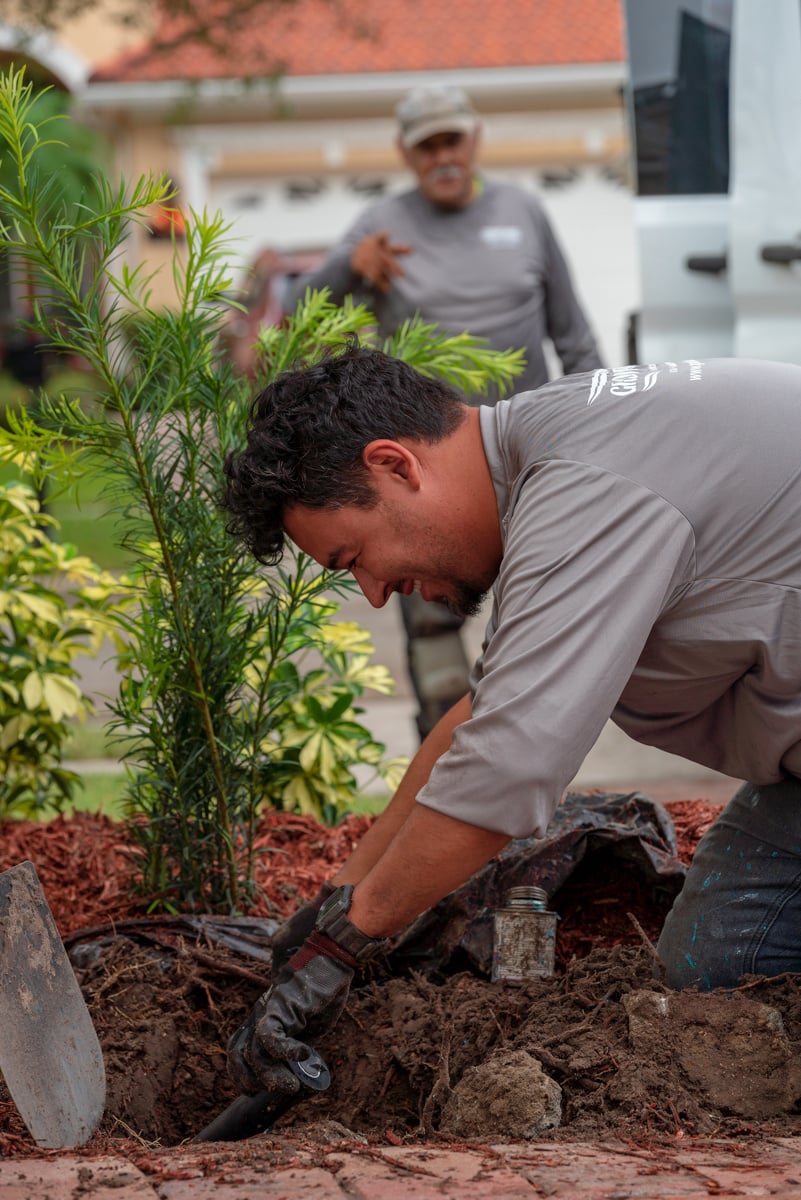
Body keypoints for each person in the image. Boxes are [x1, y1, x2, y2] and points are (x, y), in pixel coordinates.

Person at [222, 343, 801, 1096]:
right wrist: (339, 896)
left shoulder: (584, 489)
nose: (372, 592)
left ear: (395, 465)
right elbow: (484, 714)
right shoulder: (550, 450)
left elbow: (508, 767)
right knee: (715, 981)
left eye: (353, 556)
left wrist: (341, 948)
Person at [286, 84, 603, 741]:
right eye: (427, 145)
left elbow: (571, 333)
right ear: (406, 152)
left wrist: (599, 423)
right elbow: (295, 306)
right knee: (430, 620)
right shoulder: (382, 224)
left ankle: (532, 750)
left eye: (451, 140)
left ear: (474, 139)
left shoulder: (524, 211)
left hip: (528, 456)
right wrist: (349, 264)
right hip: (423, 473)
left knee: (540, 610)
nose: (443, 156)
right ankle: (452, 754)